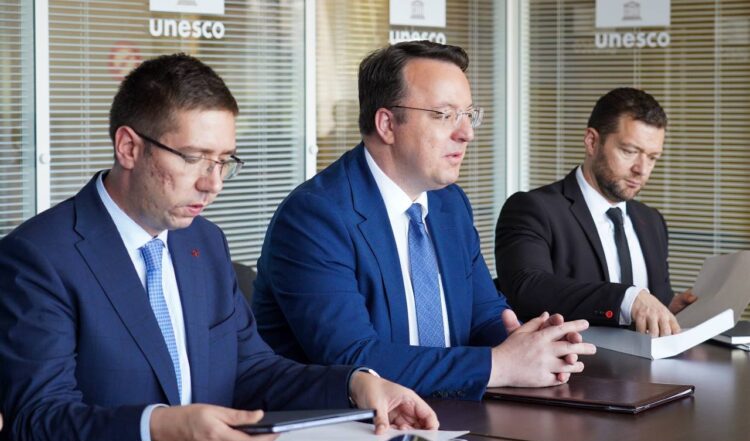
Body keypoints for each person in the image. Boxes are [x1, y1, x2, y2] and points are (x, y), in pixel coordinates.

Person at [0, 53, 438, 441]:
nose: (213, 183)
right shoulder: (39, 258)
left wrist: (356, 384)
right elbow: (37, 422)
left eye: (224, 160)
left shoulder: (204, 242)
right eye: (194, 158)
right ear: (129, 148)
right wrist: (159, 429)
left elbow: (250, 371)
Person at [252, 41, 595, 401]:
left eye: (468, 115)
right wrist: (499, 365)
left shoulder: (449, 202)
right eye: (444, 115)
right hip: (354, 423)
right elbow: (353, 359)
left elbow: (483, 315)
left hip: (453, 411)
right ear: (387, 124)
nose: (466, 133)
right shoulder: (315, 216)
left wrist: (529, 343)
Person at [495, 87, 696, 338]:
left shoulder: (652, 220)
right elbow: (527, 289)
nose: (642, 169)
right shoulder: (533, 209)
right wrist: (627, 299)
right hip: (574, 360)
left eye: (653, 157)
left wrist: (668, 309)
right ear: (592, 141)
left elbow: (652, 300)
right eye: (629, 151)